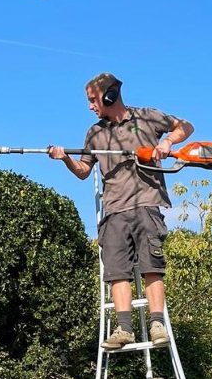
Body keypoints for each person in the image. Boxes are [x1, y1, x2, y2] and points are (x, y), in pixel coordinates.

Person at [49, 72, 194, 351]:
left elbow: (186, 125)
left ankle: (157, 324)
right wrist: (64, 158)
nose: (90, 106)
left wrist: (166, 143)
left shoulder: (146, 117)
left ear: (109, 95)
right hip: (114, 210)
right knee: (117, 271)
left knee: (152, 266)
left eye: (93, 99)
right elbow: (82, 171)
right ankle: (124, 329)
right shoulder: (95, 133)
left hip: (146, 204)